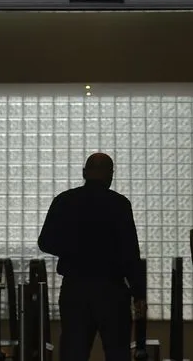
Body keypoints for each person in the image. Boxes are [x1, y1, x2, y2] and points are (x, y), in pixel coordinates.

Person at [38, 153, 144, 361]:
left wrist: (74, 250)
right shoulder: (119, 204)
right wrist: (138, 293)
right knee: (117, 352)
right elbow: (131, 253)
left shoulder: (64, 201)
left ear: (85, 172)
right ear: (110, 175)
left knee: (74, 351)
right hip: (112, 290)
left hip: (75, 288)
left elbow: (45, 242)